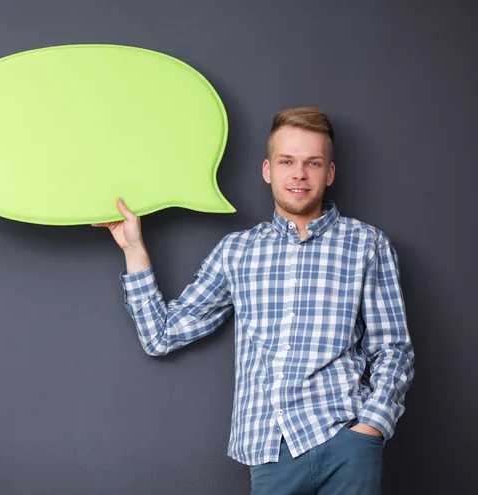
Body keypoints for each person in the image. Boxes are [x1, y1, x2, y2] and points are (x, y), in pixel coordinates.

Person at [92, 107, 415, 495]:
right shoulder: (236, 251)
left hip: (346, 441)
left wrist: (371, 428)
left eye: (313, 162)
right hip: (270, 450)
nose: (299, 174)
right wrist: (133, 248)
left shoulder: (367, 245)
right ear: (268, 170)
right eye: (287, 161)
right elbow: (161, 336)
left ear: (329, 173)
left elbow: (392, 347)